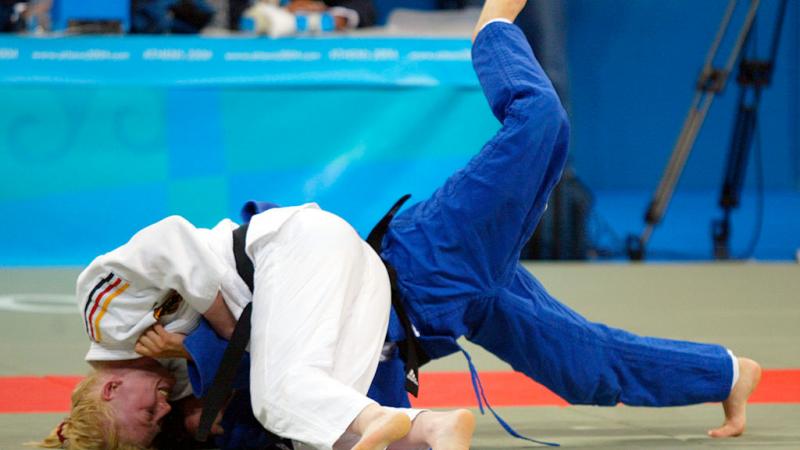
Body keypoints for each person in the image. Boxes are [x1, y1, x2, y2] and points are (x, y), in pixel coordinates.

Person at [43, 0, 761, 448]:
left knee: (538, 126)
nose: (162, 410)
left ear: (110, 390)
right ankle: (728, 372)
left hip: (422, 265)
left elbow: (210, 291)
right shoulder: (183, 386)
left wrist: (201, 329)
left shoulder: (136, 331)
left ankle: (491, 29)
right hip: (434, 318)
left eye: (146, 415)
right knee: (585, 369)